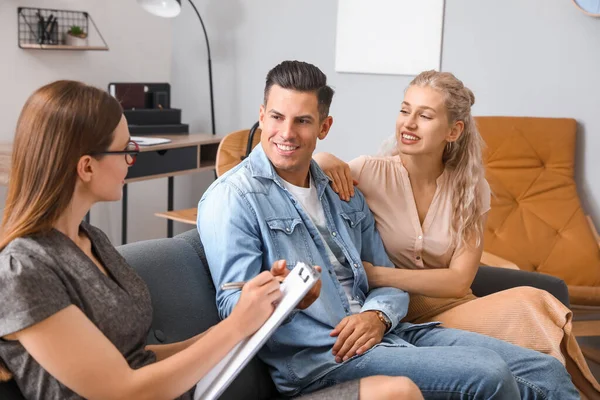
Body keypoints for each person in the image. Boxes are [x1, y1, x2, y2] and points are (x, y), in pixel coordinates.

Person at [0, 80, 410, 400]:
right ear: (87, 167)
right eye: (125, 148)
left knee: (399, 392)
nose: (133, 156)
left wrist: (264, 309)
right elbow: (124, 389)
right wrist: (234, 328)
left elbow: (139, 361)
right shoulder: (24, 270)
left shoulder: (92, 241)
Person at [198, 60, 580, 399]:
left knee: (542, 370)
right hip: (324, 357)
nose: (287, 132)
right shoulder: (233, 198)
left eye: (303, 121)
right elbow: (232, 306)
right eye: (277, 117)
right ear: (261, 115)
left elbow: (386, 282)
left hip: (389, 332)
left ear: (324, 126)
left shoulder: (340, 190)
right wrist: (288, 294)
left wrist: (377, 316)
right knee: (489, 375)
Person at [313, 69, 600, 397]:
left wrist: (378, 274)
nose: (409, 123)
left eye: (425, 115)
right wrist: (323, 156)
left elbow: (458, 281)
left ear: (454, 130)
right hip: (396, 314)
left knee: (536, 307)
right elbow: (304, 180)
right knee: (537, 324)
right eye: (405, 110)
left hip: (456, 310)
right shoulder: (368, 172)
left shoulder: (472, 189)